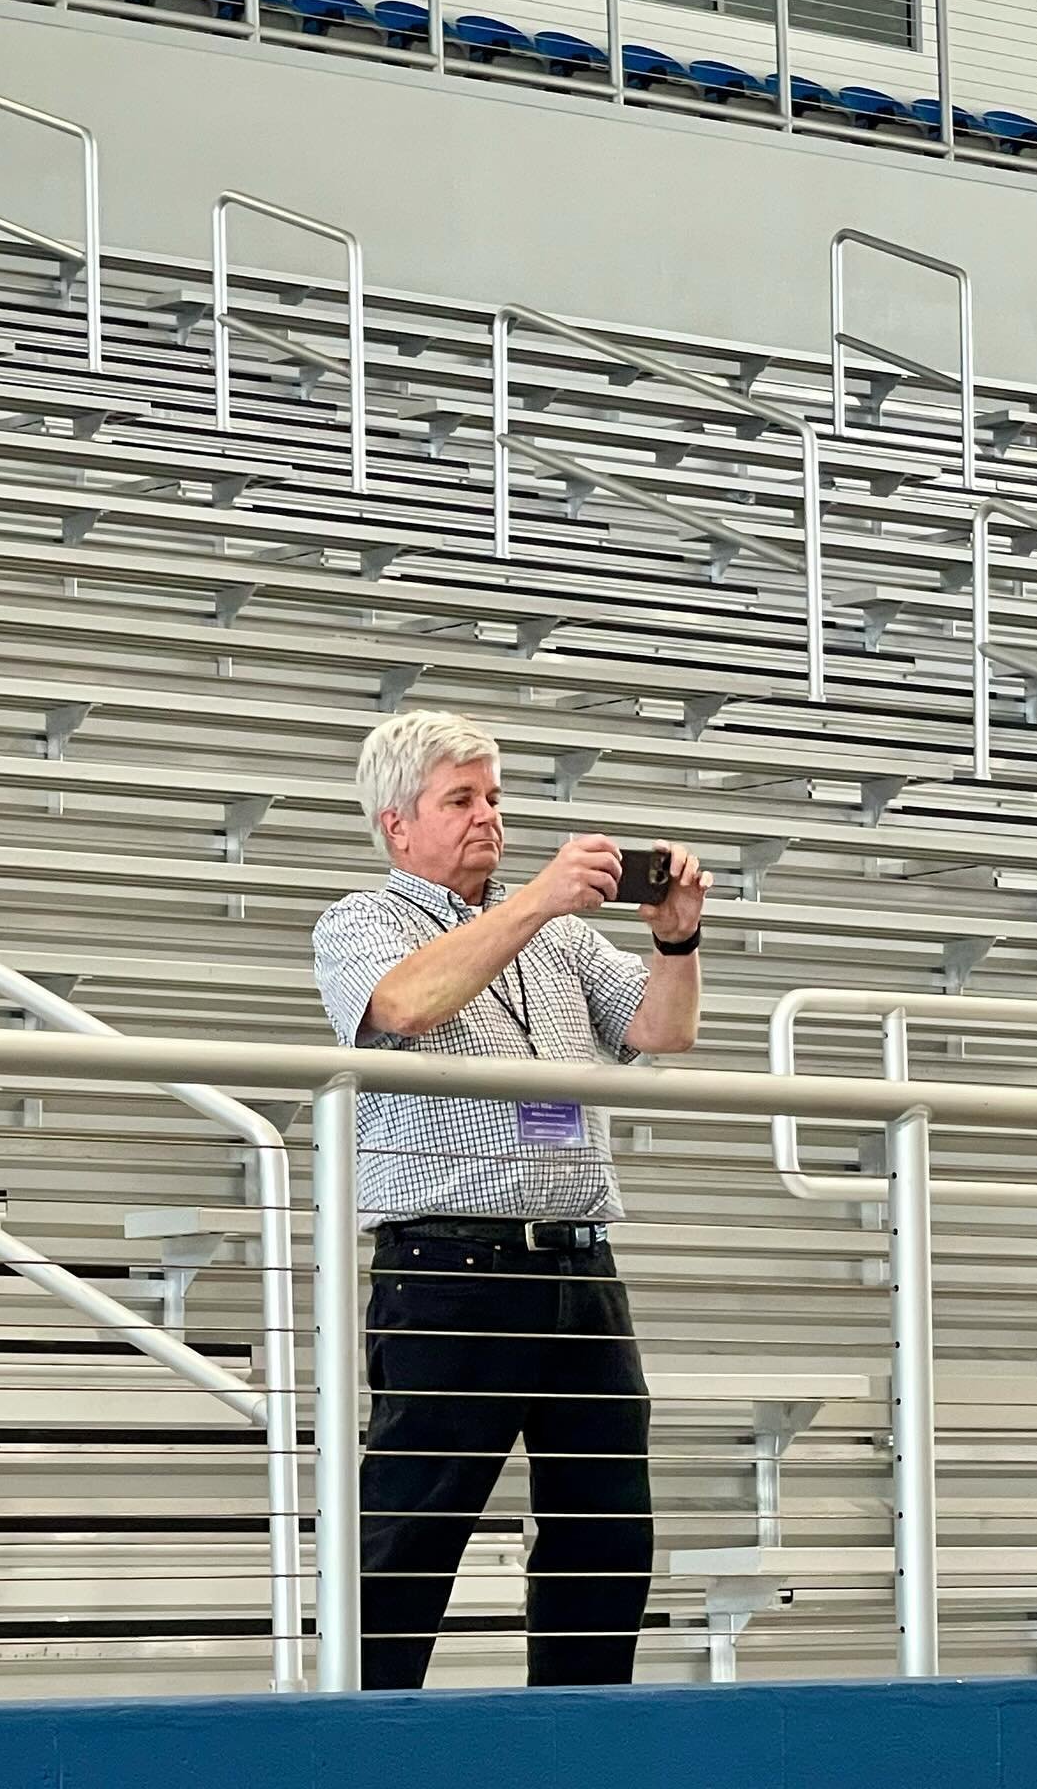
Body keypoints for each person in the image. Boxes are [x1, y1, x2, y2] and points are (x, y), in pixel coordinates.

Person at [312, 709, 710, 1691]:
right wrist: (534, 901)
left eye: (493, 796)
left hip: (580, 1267)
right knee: (411, 1532)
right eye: (461, 799)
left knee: (606, 1529)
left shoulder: (562, 941)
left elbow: (663, 1032)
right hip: (450, 1271)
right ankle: (361, 1744)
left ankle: (581, 1742)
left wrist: (677, 941)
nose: (488, 816)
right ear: (397, 825)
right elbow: (403, 1005)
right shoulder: (363, 920)